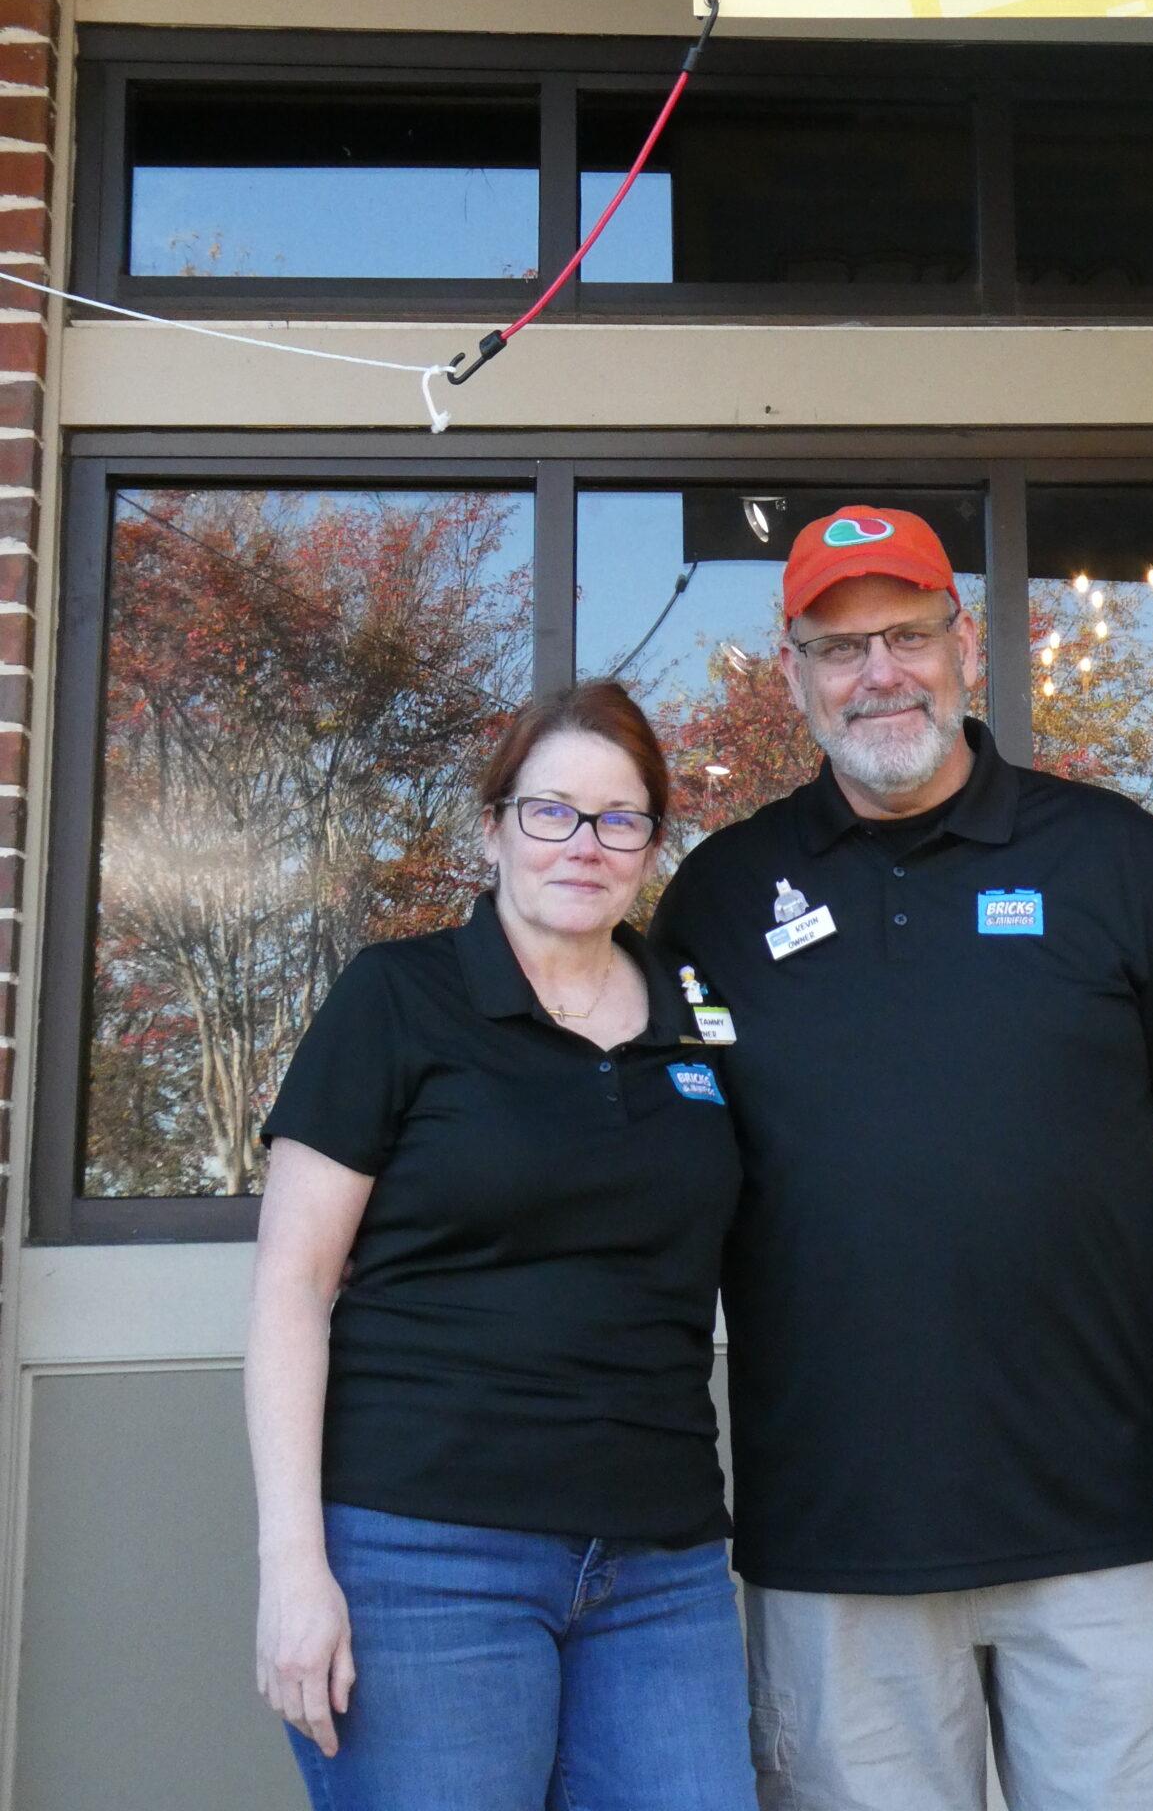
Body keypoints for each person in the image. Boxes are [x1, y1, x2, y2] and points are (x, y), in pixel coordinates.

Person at [649, 504, 1153, 1811]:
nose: (878, 674)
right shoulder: (720, 895)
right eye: (839, 648)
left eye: (906, 635)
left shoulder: (1111, 854)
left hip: (1102, 1510)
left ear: (965, 645)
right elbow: (644, 1165)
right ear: (792, 674)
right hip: (834, 1535)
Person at [245, 681, 758, 1811]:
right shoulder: (398, 997)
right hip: (424, 1556)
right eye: (551, 812)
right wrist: (292, 1567)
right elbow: (292, 1288)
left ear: (651, 845)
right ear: (493, 828)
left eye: (619, 818)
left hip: (660, 1564)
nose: (585, 843)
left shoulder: (699, 1019)